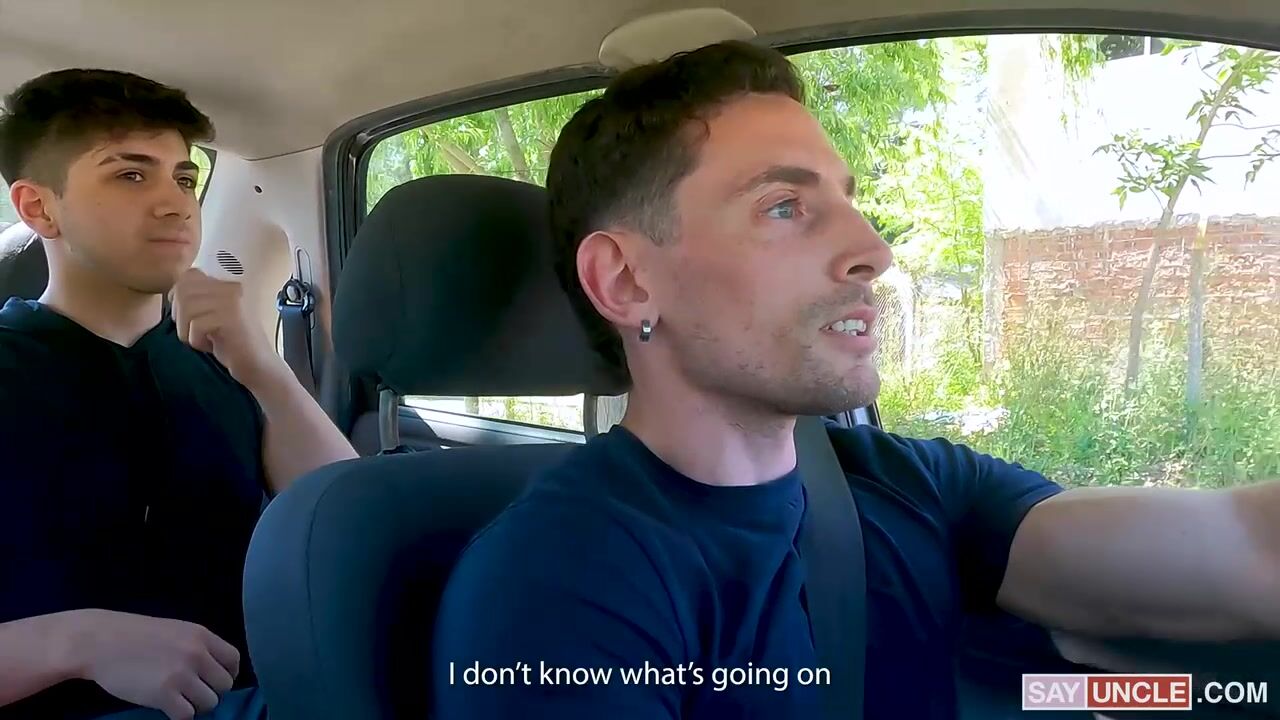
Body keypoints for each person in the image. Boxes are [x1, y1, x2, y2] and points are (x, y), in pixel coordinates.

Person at [431, 41, 1280, 719]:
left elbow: (1250, 553)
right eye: (785, 207)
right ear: (625, 281)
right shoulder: (556, 584)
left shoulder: (914, 487)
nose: (873, 251)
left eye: (849, 201)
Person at [0, 69, 358, 720]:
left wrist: (263, 366)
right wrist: (74, 643)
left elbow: (351, 527)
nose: (176, 204)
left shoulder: (225, 364)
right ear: (38, 207)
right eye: (131, 175)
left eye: (185, 179)